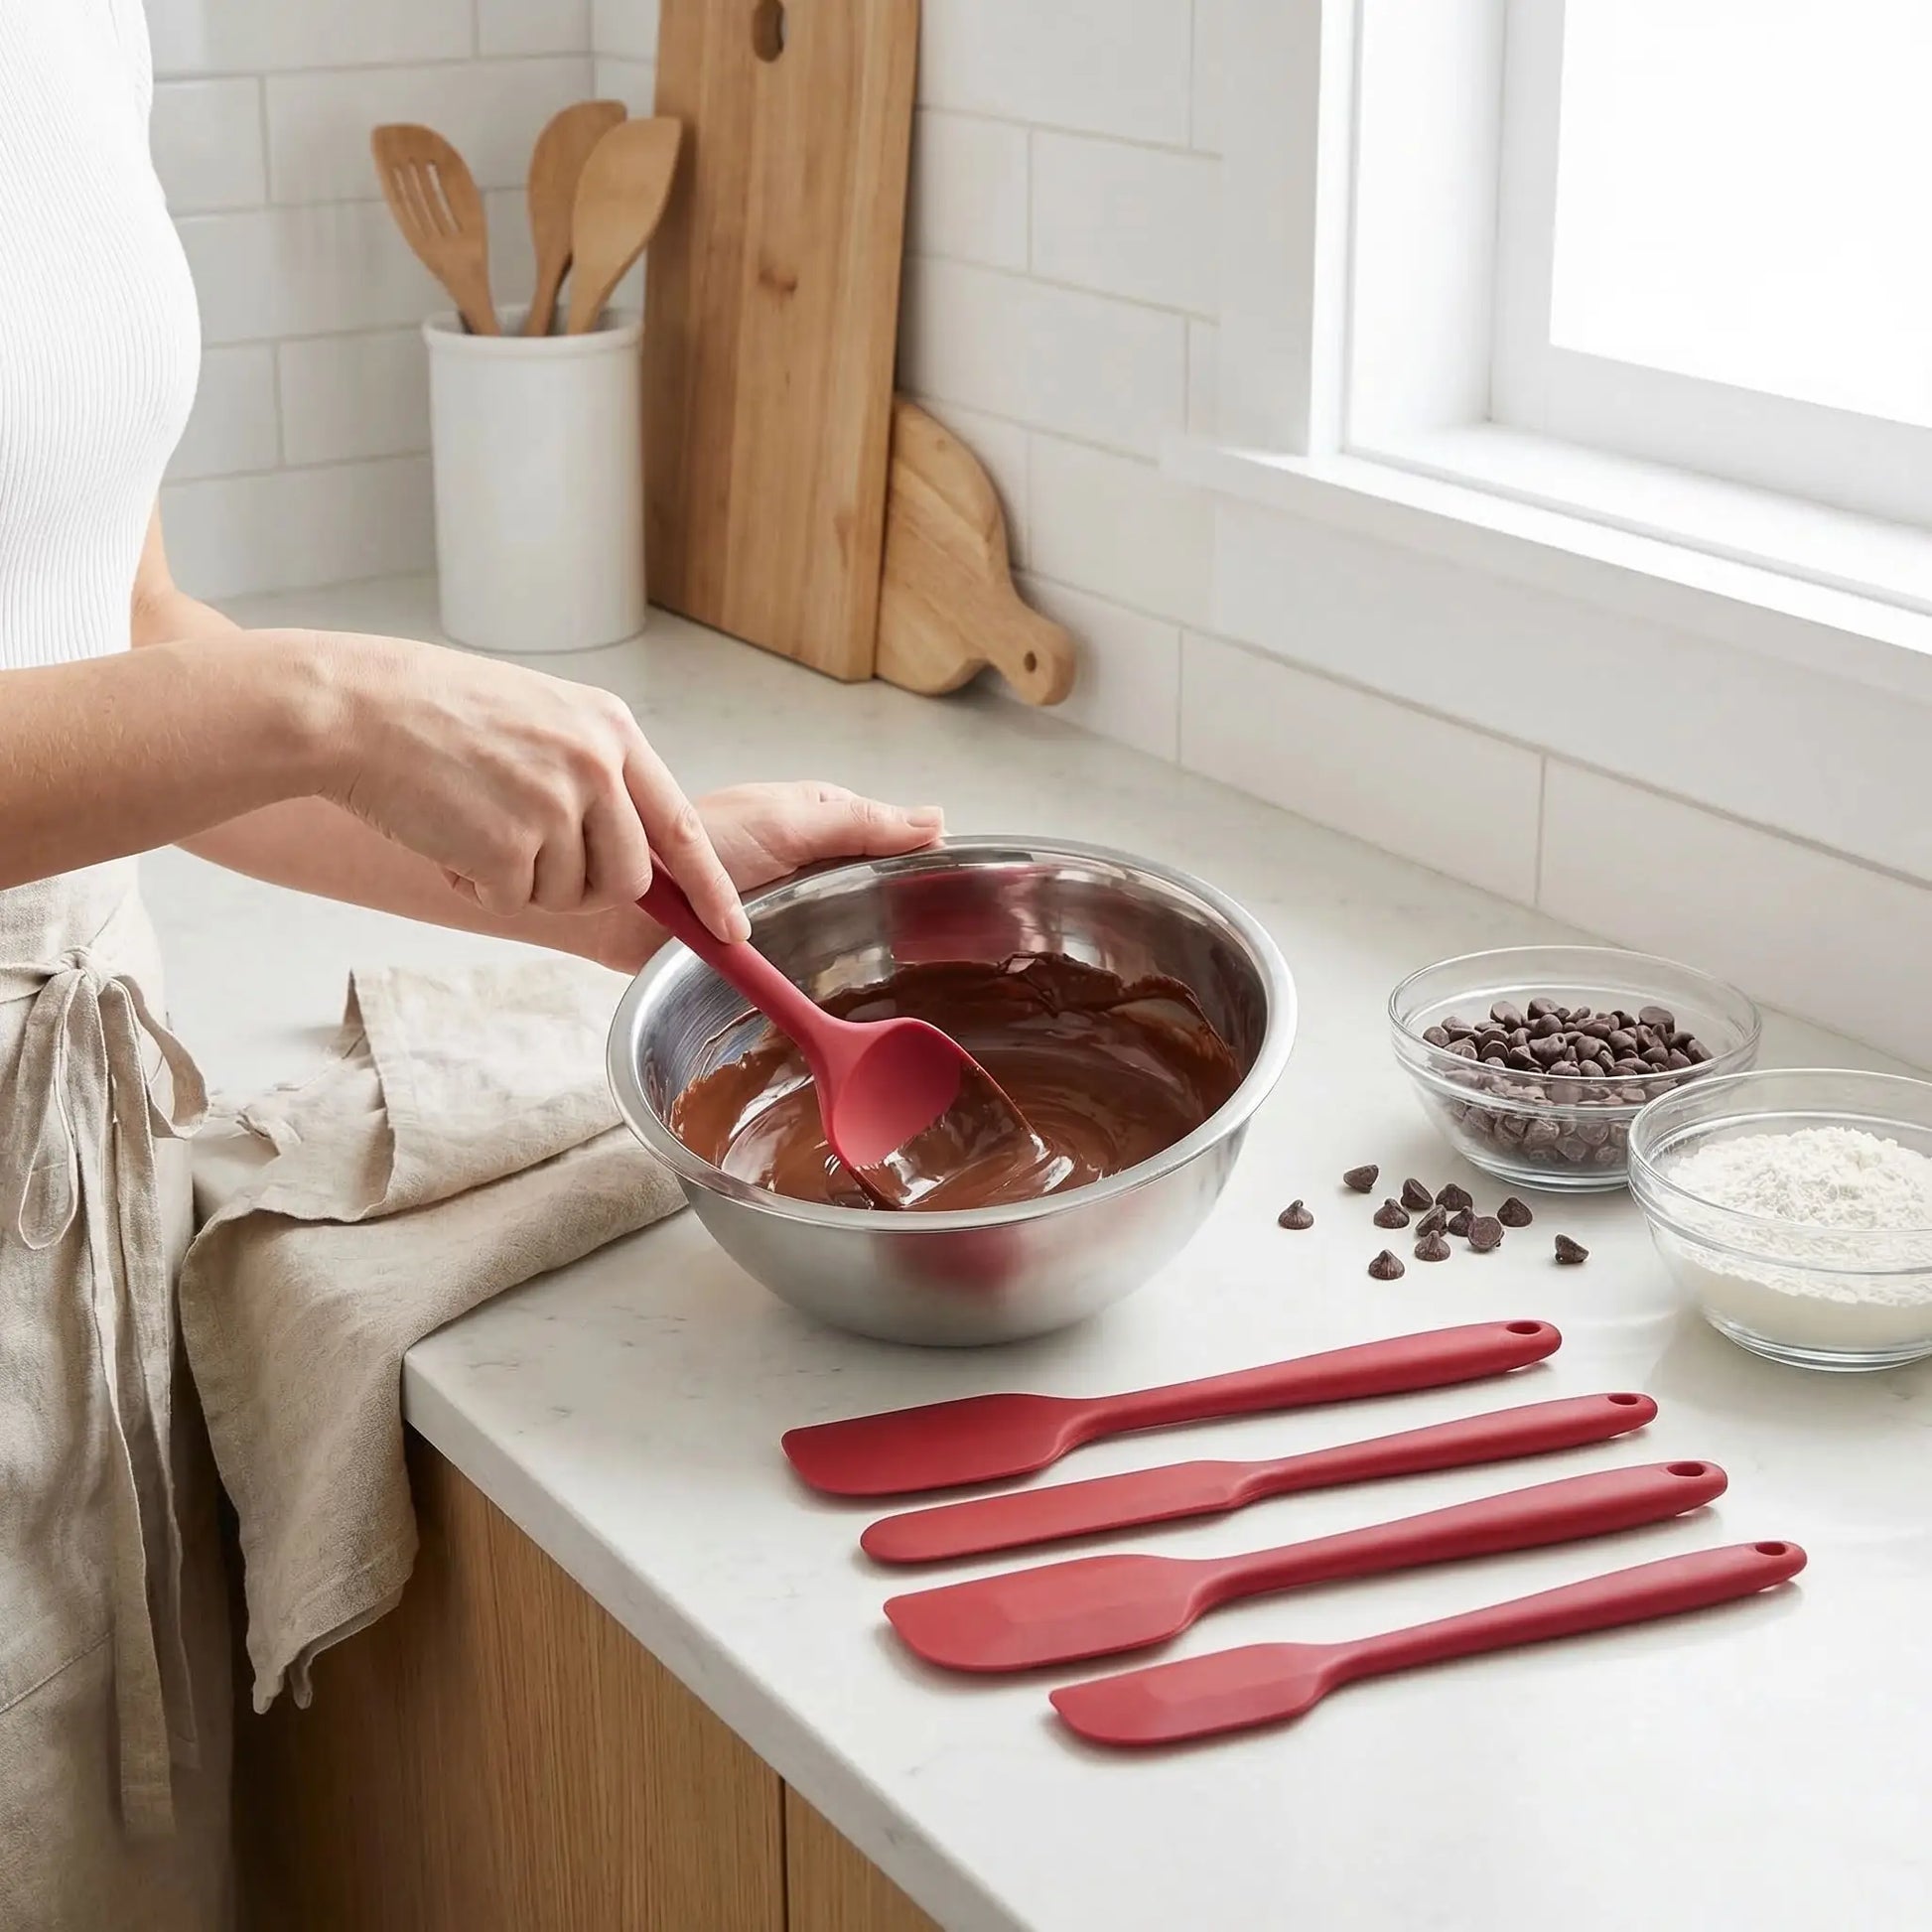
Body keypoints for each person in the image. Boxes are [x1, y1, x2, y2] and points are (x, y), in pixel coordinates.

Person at [0, 8, 941, 1923]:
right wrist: (320, 695)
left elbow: (121, 630)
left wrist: (606, 890)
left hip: (56, 1164)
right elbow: (236, 697)